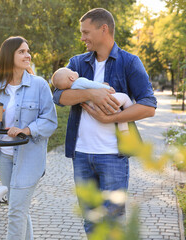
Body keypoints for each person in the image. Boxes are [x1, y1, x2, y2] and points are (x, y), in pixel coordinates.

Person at [53, 8, 157, 235]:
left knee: (113, 224)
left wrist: (111, 117)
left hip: (113, 156)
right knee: (90, 223)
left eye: (85, 32)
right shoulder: (77, 63)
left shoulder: (129, 62)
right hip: (81, 155)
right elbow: (59, 97)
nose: (82, 38)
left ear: (104, 29)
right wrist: (91, 94)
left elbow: (149, 106)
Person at [0, 36, 57, 240]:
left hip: (29, 157)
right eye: (21, 51)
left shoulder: (39, 85)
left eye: (28, 51)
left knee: (15, 211)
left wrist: (26, 129)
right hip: (4, 157)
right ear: (9, 56)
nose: (27, 55)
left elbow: (50, 121)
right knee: (19, 209)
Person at [52, 67, 133, 132]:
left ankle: (124, 130)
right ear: (71, 78)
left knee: (118, 112)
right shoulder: (80, 81)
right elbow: (92, 84)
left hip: (97, 108)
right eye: (71, 70)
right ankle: (130, 111)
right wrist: (107, 87)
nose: (73, 70)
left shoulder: (73, 89)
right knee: (124, 97)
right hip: (107, 102)